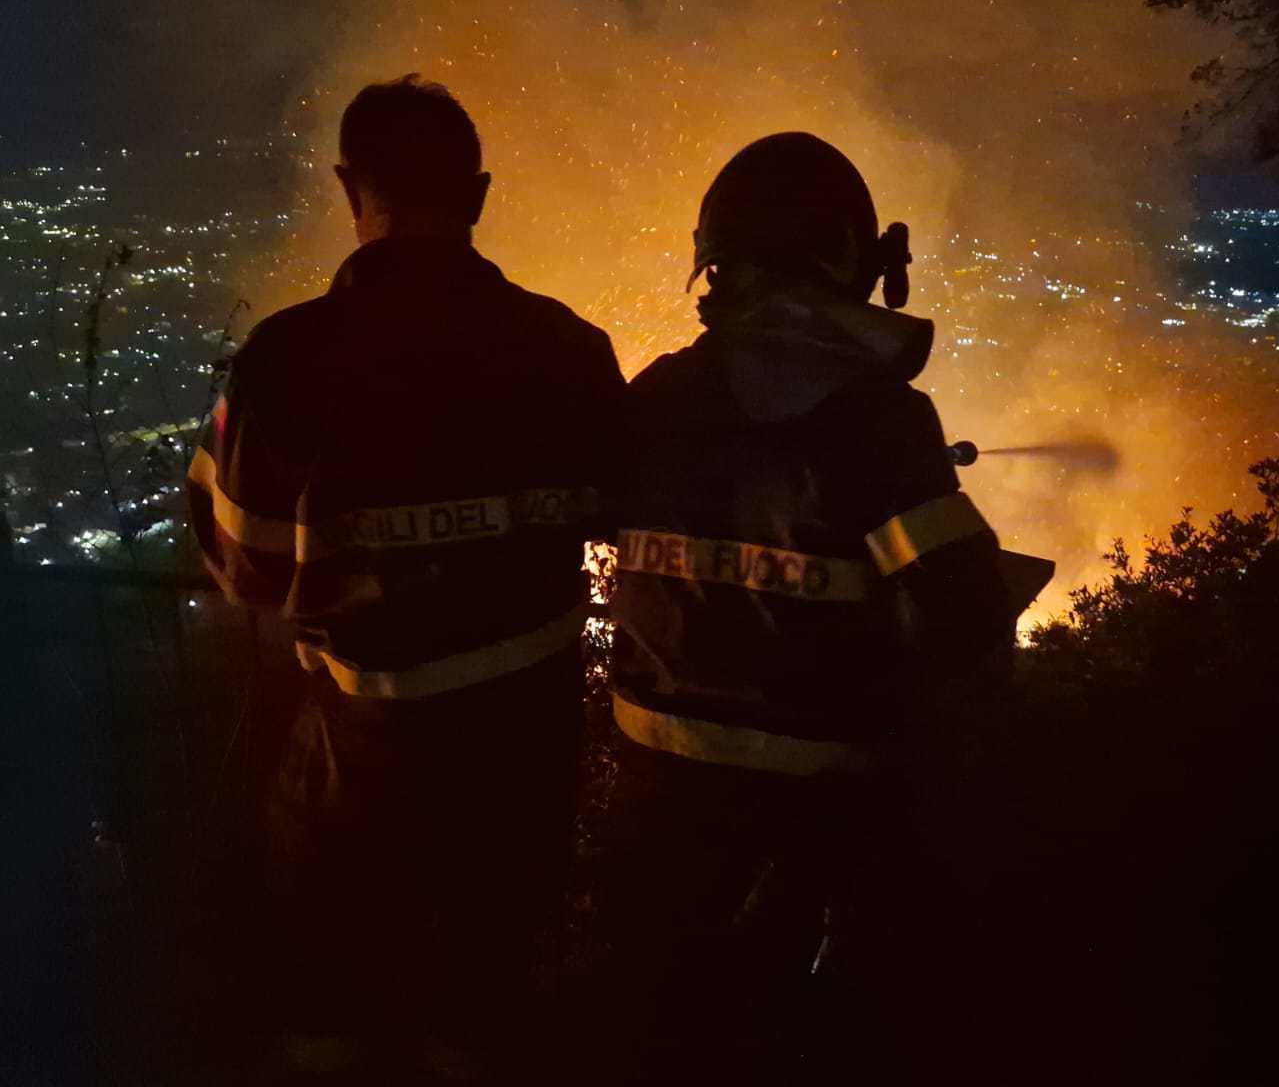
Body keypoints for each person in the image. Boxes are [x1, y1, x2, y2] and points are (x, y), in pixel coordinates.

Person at [187, 75, 624, 1076]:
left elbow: (243, 564)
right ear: (478, 196)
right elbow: (615, 506)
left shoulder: (286, 362)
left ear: (352, 188)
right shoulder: (571, 350)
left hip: (362, 761)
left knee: (335, 1019)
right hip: (527, 765)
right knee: (485, 1022)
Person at [603, 132, 1019, 1077]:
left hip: (654, 788)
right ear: (857, 261)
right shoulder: (885, 419)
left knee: (660, 1026)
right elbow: (960, 617)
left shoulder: (658, 396)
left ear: (715, 264)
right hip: (825, 809)